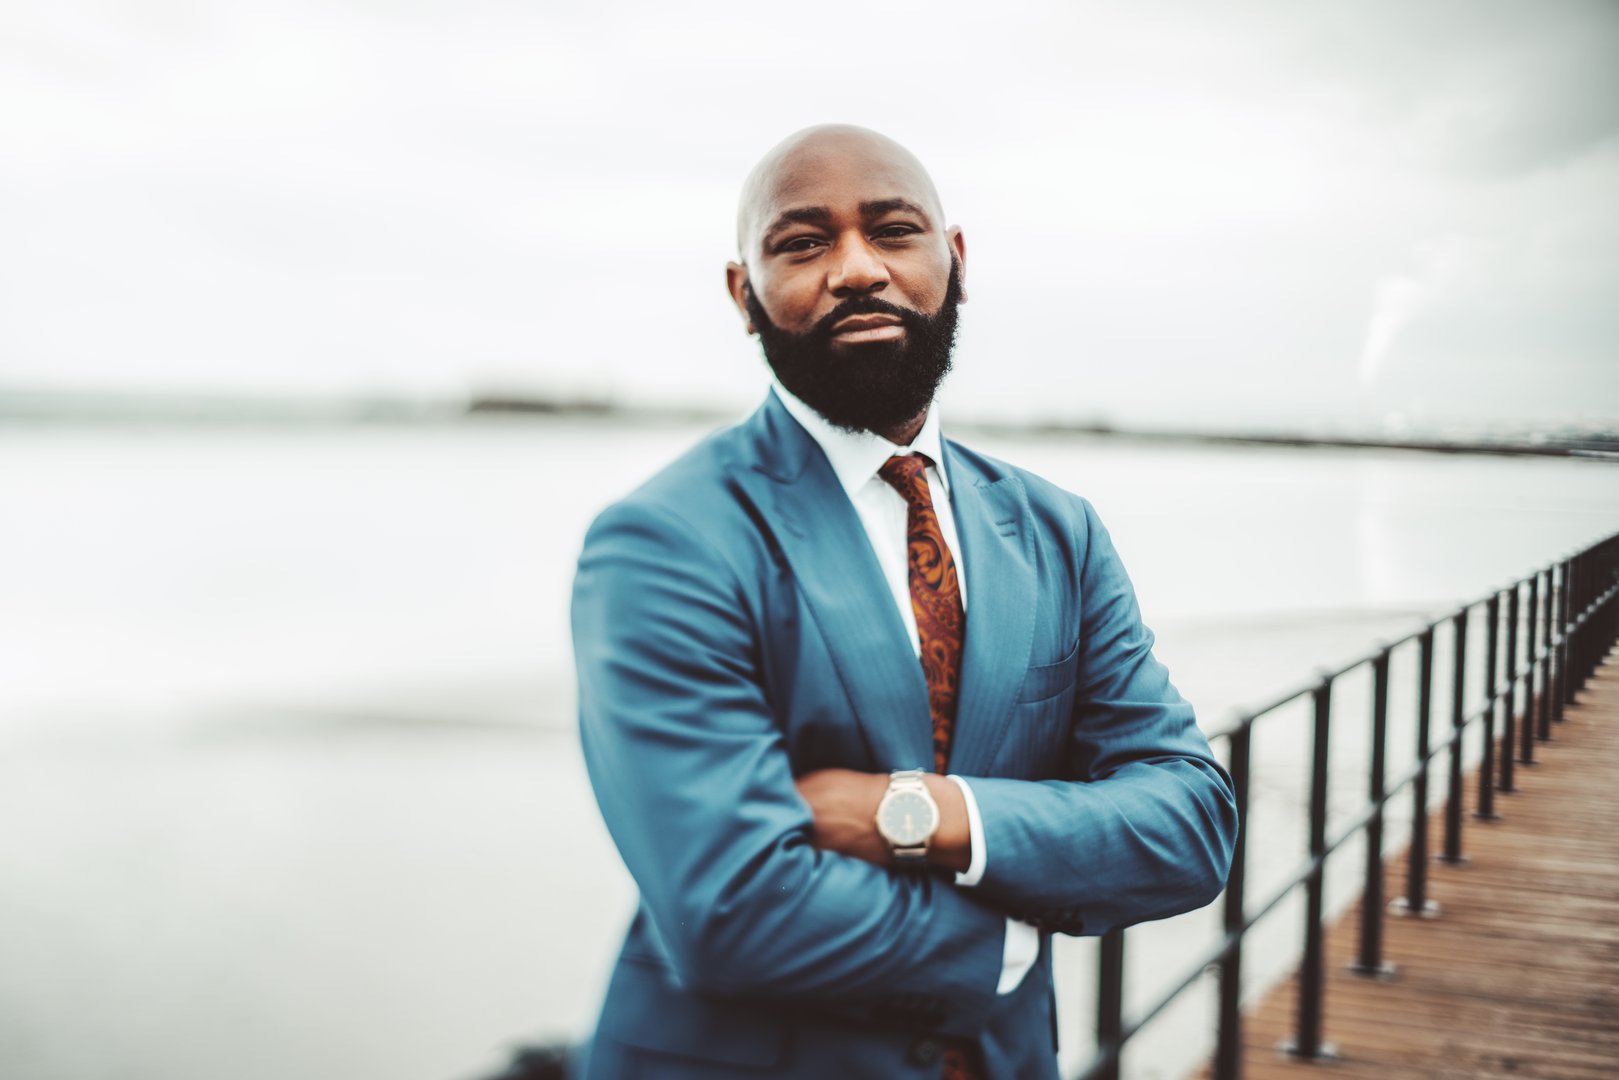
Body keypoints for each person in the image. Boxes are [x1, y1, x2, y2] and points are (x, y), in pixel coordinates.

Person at [570, 124, 1237, 1079]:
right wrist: (1008, 943)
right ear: (743, 294)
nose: (855, 269)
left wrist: (917, 813)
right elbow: (733, 911)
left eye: (892, 230)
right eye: (803, 242)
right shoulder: (668, 539)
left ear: (954, 260)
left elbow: (1188, 825)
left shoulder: (1057, 530)